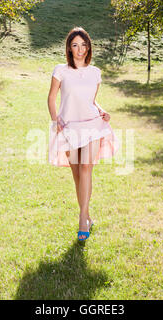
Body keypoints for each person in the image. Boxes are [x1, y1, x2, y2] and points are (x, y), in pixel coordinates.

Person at [47, 27, 120, 241]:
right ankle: (87, 215)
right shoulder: (60, 70)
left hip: (92, 125)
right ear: (69, 49)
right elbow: (51, 98)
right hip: (68, 126)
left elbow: (92, 101)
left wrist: (101, 110)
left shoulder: (95, 72)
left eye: (83, 44)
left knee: (87, 168)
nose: (80, 49)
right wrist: (55, 119)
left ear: (89, 47)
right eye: (75, 45)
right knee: (77, 174)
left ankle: (81, 220)